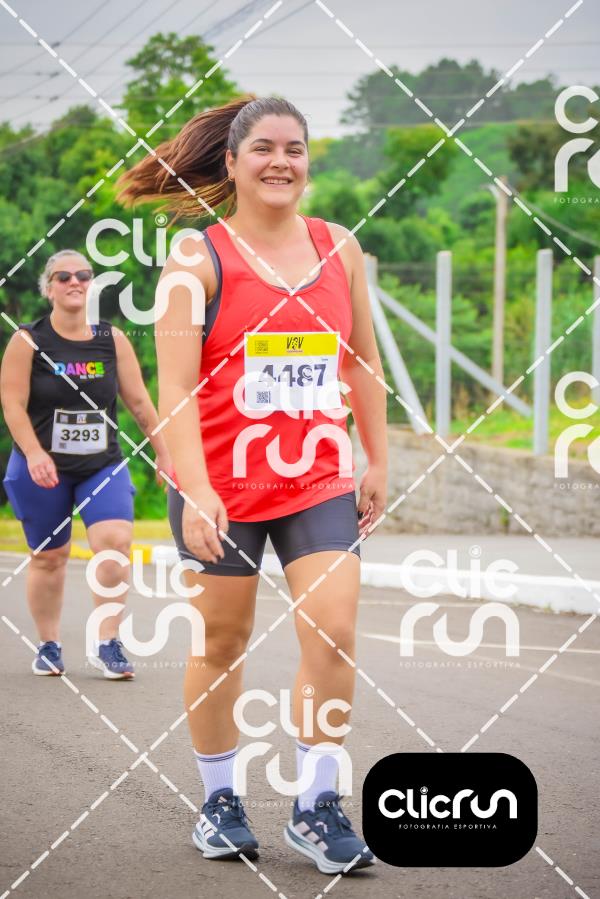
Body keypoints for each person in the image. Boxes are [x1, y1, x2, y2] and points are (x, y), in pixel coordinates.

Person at [117, 95, 388, 873]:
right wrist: (196, 488)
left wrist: (377, 457)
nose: (281, 161)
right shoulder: (195, 260)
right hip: (221, 485)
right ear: (232, 162)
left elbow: (361, 361)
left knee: (334, 629)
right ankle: (220, 801)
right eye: (264, 148)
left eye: (294, 148)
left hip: (316, 478)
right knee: (222, 640)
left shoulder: (340, 249)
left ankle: (316, 804)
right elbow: (173, 389)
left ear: (308, 161)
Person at [0, 249, 172, 679]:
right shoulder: (28, 340)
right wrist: (34, 453)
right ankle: (49, 645)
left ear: (91, 284)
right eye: (63, 277)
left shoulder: (112, 339)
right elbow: (12, 404)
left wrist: (164, 452)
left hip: (100, 464)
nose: (74, 282)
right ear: (49, 288)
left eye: (83, 274)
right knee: (49, 557)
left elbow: (139, 402)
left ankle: (107, 642)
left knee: (114, 542)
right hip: (42, 467)